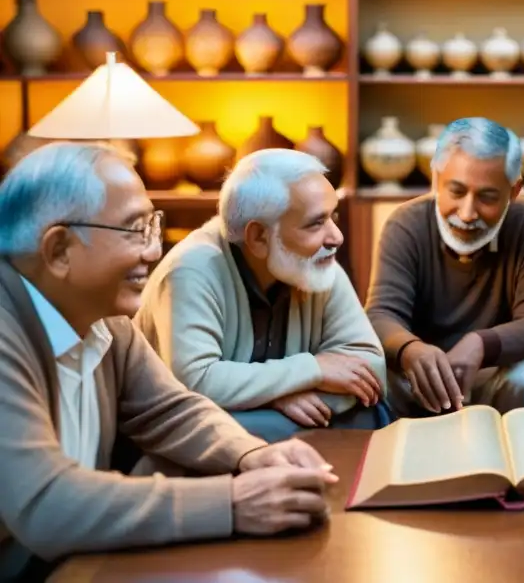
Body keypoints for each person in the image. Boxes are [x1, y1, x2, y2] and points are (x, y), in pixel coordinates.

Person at [0, 143, 337, 581]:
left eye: (152, 226)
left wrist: (254, 455)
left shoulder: (103, 318)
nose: (153, 252)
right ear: (60, 249)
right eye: (134, 230)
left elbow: (170, 409)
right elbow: (47, 502)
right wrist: (233, 503)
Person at [134, 149, 388, 444]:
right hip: (191, 425)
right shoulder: (191, 269)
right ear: (258, 237)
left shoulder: (315, 263)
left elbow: (369, 365)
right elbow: (196, 381)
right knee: (225, 431)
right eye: (316, 223)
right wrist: (308, 372)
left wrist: (272, 391)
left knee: (367, 413)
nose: (336, 237)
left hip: (271, 418)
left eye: (333, 216)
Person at [365, 117, 524, 416]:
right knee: (367, 376)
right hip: (419, 377)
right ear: (436, 179)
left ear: (514, 191)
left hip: (496, 374)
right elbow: (381, 314)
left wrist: (480, 344)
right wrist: (410, 349)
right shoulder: (405, 223)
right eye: (456, 192)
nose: (468, 213)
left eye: (487, 197)